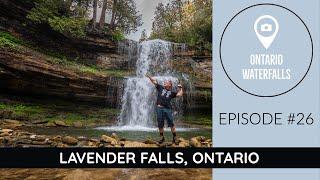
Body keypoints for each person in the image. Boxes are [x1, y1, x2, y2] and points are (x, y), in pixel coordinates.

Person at [146, 75, 183, 144]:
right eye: (165, 82)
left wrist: (181, 88)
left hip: (167, 109)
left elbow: (180, 94)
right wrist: (150, 78)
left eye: (167, 82)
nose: (165, 82)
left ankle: (174, 137)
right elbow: (154, 82)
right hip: (159, 108)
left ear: (170, 85)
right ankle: (162, 138)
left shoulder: (172, 93)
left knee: (171, 123)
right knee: (160, 123)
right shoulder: (160, 88)